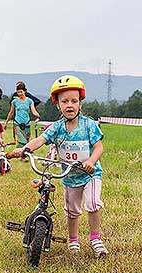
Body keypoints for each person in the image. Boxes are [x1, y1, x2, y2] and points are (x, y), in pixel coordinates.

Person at [12, 75, 108, 259]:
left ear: (80, 103)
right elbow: (41, 139)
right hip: (70, 176)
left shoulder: (88, 125)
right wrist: (24, 148)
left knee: (93, 203)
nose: (70, 105)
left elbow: (98, 147)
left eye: (74, 101)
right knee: (72, 211)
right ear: (58, 105)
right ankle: (73, 240)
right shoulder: (56, 127)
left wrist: (90, 161)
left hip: (90, 174)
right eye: (65, 101)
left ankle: (95, 239)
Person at [4, 82, 40, 151]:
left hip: (27, 123)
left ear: (25, 91)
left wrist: (37, 115)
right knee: (22, 140)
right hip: (17, 123)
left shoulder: (30, 101)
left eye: (21, 92)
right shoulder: (14, 101)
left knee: (26, 139)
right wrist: (6, 122)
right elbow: (11, 113)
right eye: (18, 92)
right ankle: (18, 153)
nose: (19, 94)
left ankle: (21, 155)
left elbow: (33, 111)